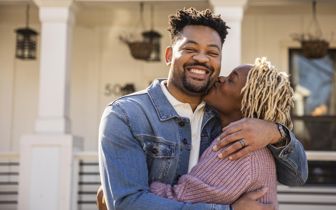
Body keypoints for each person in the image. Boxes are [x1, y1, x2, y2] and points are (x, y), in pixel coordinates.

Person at [98, 8, 307, 210]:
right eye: (190, 49)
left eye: (212, 52)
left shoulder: (237, 130)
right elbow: (127, 204)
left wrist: (275, 133)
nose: (202, 58)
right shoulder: (126, 115)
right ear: (169, 55)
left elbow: (297, 177)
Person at [150, 57, 294, 210]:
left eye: (231, 80)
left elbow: (175, 198)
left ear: (246, 102)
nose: (220, 78)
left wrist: (138, 182)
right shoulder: (245, 143)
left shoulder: (239, 151)